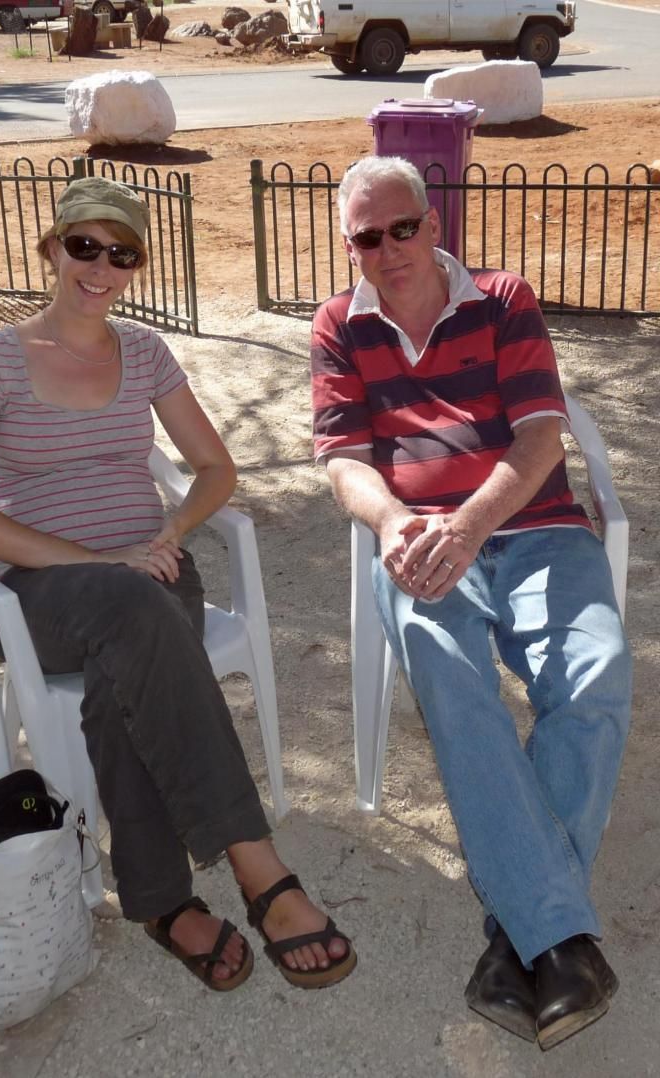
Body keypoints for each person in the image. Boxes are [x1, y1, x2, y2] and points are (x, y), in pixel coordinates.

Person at [0, 175, 356, 993]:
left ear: (135, 267)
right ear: (52, 247)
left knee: (122, 663)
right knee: (128, 605)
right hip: (37, 593)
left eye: (122, 254)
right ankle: (256, 863)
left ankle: (161, 901)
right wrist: (98, 562)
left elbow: (214, 469)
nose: (101, 267)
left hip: (150, 571)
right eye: (85, 246)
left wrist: (168, 531)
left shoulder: (146, 353)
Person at [310, 155, 630, 1047]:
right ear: (351, 248)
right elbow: (344, 461)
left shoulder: (503, 298)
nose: (388, 248)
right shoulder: (338, 325)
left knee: (596, 676)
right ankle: (559, 940)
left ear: (433, 223)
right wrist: (390, 523)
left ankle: (519, 938)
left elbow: (539, 436)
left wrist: (474, 524)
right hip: (415, 539)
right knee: (452, 681)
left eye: (401, 227)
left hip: (535, 525)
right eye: (367, 237)